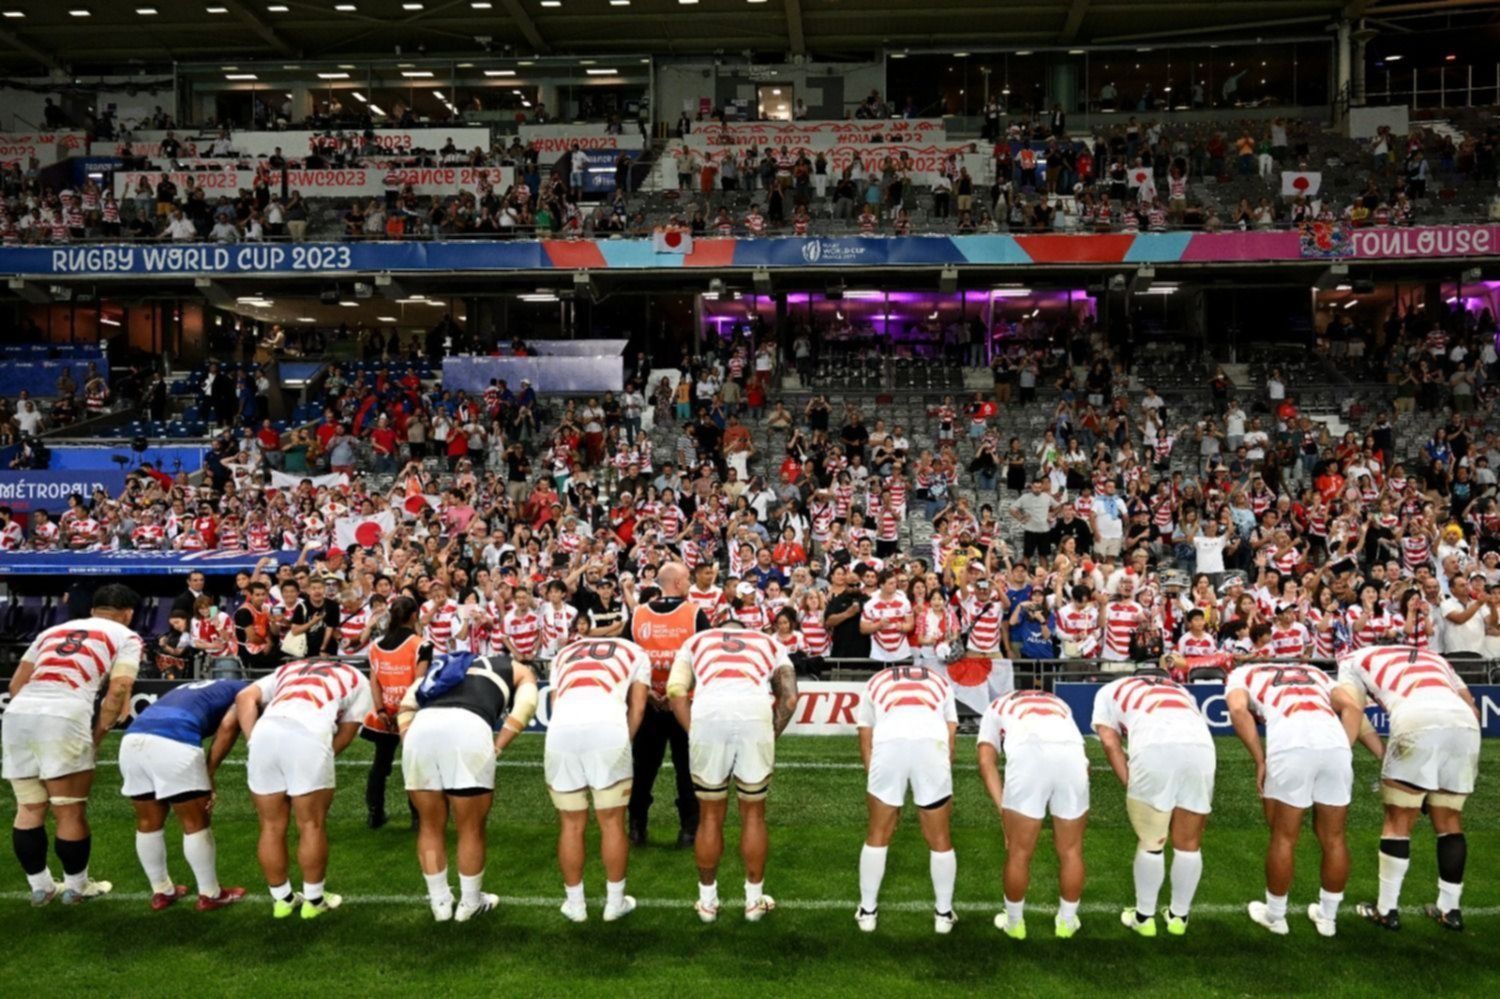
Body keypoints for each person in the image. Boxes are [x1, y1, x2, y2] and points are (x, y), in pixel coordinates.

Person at [4, 584, 143, 905]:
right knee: (68, 809)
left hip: (19, 714)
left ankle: (40, 887)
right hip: (65, 714)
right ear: (128, 614)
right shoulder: (126, 636)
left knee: (28, 808)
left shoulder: (52, 631)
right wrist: (96, 738)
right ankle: (77, 888)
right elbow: (120, 690)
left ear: (93, 609)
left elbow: (15, 684)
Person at [1337, 646, 1481, 931]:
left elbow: (1353, 709)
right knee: (1450, 821)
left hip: (1415, 718)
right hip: (1464, 723)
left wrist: (1350, 753)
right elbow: (1472, 707)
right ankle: (1450, 910)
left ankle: (1386, 910)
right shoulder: (1435, 657)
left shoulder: (1352, 659)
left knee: (1399, 820)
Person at [668, 624, 799, 923]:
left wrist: (695, 733)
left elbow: (675, 690)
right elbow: (789, 698)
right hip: (754, 711)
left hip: (709, 713)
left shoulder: (695, 641)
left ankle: (707, 904)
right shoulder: (768, 642)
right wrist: (770, 733)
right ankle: (753, 903)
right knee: (753, 814)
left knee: (710, 815)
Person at [399, 650, 539, 922]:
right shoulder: (513, 667)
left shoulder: (444, 664)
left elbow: (406, 705)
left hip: (422, 728)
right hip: (469, 726)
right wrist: (499, 745)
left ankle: (439, 902)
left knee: (429, 825)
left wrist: (409, 741)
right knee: (470, 828)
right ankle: (470, 903)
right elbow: (528, 703)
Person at [1227, 662, 1361, 937]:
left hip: (1291, 744)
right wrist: (1342, 750)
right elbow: (1353, 707)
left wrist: (1259, 759)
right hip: (1334, 742)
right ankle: (1328, 917)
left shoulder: (1242, 673)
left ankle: (1276, 915)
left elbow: (1238, 710)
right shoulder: (1316, 672)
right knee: (1334, 837)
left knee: (1284, 836)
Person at [235, 656, 372, 919]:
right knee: (311, 824)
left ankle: (282, 900)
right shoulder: (358, 678)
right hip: (309, 733)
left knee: (271, 825)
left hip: (265, 732)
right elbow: (348, 730)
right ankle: (314, 900)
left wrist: (253, 741)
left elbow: (244, 697)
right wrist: (323, 756)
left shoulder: (290, 668)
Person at [1091, 664, 1216, 937]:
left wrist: (1129, 781)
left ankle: (1144, 917)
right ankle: (1178, 917)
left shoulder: (1110, 690)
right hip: (1202, 748)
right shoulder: (1180, 689)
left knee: (1152, 840)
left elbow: (1110, 742)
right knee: (1189, 844)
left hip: (1155, 748)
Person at [117, 678, 250, 911]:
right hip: (174, 740)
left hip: (131, 739)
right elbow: (228, 726)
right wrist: (209, 771)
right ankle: (210, 894)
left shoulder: (212, 685)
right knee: (195, 822)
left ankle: (161, 890)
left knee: (148, 821)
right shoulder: (250, 690)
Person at [545, 636, 652, 922]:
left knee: (570, 823)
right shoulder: (636, 651)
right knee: (612, 822)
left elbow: (555, 704)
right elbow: (639, 707)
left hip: (561, 731)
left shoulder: (564, 653)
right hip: (608, 728)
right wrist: (624, 741)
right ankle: (614, 903)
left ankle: (575, 905)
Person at [854, 663, 959, 934]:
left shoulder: (876, 680)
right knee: (939, 837)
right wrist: (941, 771)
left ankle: (867, 911)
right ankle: (943, 914)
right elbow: (950, 733)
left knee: (878, 832)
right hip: (931, 744)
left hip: (890, 743)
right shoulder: (940, 681)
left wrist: (877, 785)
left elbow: (865, 735)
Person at [976, 689, 1089, 940]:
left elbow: (986, 761)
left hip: (1028, 754)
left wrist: (1003, 809)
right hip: (1072, 755)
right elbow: (1083, 759)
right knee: (1071, 850)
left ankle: (1015, 923)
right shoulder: (1059, 701)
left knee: (1019, 852)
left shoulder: (996, 706)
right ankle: (1067, 922)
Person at [628, 562, 711, 847]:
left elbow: (627, 660)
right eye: (687, 579)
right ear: (677, 583)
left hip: (649, 703)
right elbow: (706, 661)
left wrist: (647, 692)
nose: (689, 583)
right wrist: (678, 693)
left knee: (642, 769)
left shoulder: (637, 615)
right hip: (683, 705)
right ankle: (688, 828)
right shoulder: (695, 614)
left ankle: (637, 826)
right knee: (686, 769)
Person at [363, 596, 431, 829]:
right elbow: (418, 682)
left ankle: (375, 813)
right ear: (414, 616)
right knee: (413, 764)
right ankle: (417, 816)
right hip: (410, 714)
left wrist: (382, 709)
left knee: (380, 764)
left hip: (384, 712)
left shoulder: (376, 646)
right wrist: (405, 711)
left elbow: (374, 682)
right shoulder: (421, 645)